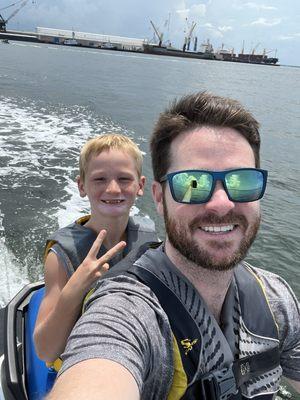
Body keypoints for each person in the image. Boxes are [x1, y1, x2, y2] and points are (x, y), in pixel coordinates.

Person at [46, 93, 300, 399]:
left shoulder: (278, 301)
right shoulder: (126, 311)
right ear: (157, 196)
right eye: (192, 183)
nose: (222, 203)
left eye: (242, 180)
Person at [34, 133, 157, 364]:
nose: (112, 189)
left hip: (138, 349)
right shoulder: (61, 257)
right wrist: (75, 288)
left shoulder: (149, 239)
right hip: (84, 357)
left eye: (124, 179)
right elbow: (45, 351)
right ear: (82, 186)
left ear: (140, 186)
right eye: (99, 179)